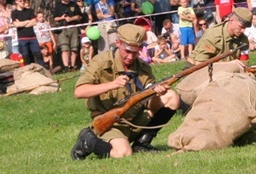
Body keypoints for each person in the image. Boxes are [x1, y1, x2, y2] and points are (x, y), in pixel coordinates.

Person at [71, 24, 181, 159]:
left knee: (171, 97)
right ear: (118, 43)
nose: (130, 56)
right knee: (123, 153)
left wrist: (157, 95)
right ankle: (88, 142)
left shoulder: (143, 68)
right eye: (127, 51)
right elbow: (79, 91)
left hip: (134, 119)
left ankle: (142, 144)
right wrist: (112, 84)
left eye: (135, 52)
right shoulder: (101, 62)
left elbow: (152, 107)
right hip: (110, 123)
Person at [186, 8, 253, 66]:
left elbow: (244, 63)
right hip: (195, 68)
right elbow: (200, 63)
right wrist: (230, 65)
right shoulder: (213, 35)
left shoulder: (243, 40)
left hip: (225, 71)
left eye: (245, 28)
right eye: (241, 27)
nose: (243, 31)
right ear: (232, 20)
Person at [53, 0, 83, 71]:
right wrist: (62, 17)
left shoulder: (74, 4)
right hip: (63, 29)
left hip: (74, 28)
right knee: (65, 48)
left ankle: (72, 66)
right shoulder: (58, 6)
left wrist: (71, 18)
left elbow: (79, 16)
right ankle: (66, 67)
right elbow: (55, 18)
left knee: (74, 48)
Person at [11, 0, 42, 65]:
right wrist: (28, 21)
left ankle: (42, 71)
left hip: (32, 37)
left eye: (23, 1)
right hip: (22, 38)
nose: (22, 2)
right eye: (20, 1)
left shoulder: (30, 11)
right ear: (16, 2)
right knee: (26, 57)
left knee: (38, 54)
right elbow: (16, 25)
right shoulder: (14, 13)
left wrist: (21, 23)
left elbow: (34, 22)